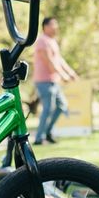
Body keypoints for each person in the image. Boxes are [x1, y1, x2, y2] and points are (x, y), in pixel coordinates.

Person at [32, 16, 79, 144]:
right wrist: (63, 75)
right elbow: (49, 61)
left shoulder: (52, 41)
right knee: (48, 109)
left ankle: (47, 132)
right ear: (45, 27)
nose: (56, 28)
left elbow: (59, 60)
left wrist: (70, 73)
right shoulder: (42, 41)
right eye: (53, 25)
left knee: (61, 105)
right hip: (44, 81)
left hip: (54, 81)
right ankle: (38, 138)